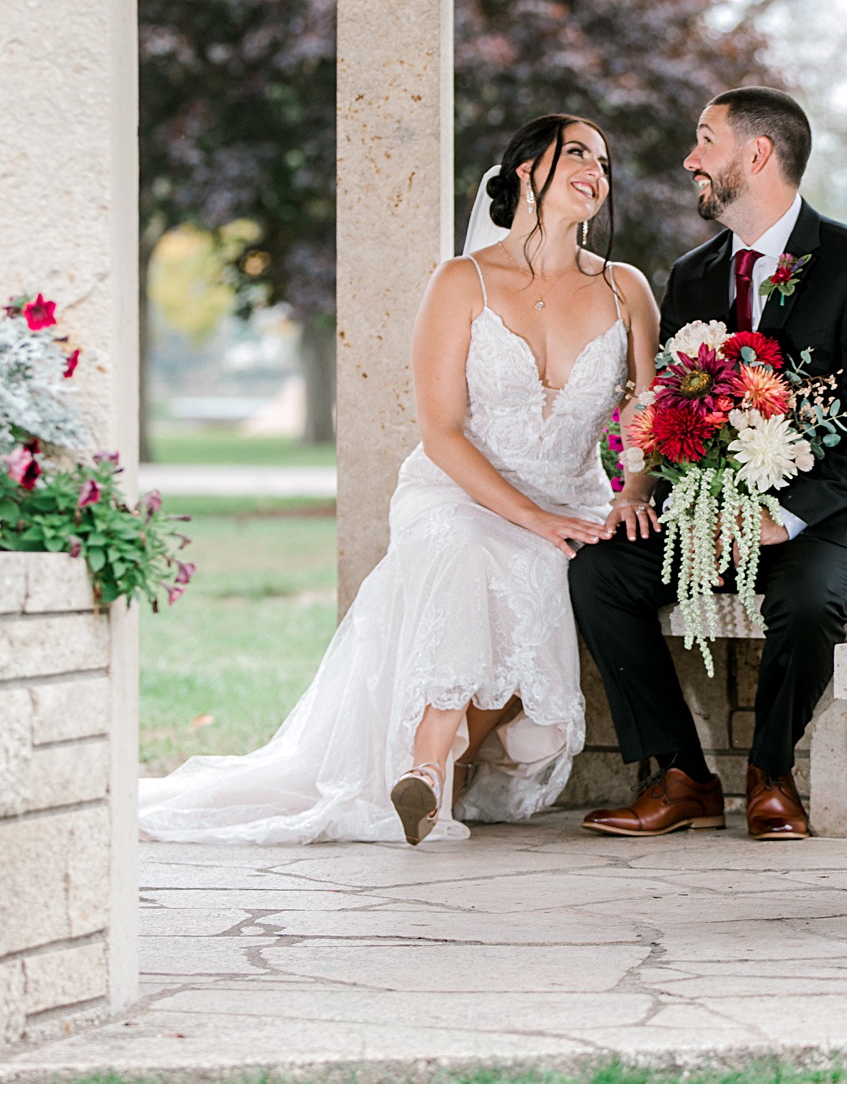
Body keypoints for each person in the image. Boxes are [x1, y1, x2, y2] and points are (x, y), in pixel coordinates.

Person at [139, 114, 662, 846]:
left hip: (574, 496)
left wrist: (632, 492)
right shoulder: (461, 281)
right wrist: (531, 518)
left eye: (604, 162)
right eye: (577, 152)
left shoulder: (626, 288)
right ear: (523, 171)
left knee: (544, 716)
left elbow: (649, 414)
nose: (596, 171)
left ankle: (442, 760)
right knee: (460, 548)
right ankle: (424, 770)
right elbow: (441, 432)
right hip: (458, 490)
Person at [569, 87, 847, 841]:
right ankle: (681, 775)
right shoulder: (692, 273)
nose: (690, 159)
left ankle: (772, 773)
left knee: (805, 598)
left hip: (837, 519)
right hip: (716, 516)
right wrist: (655, 490)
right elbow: (674, 405)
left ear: (756, 155)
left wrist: (783, 517)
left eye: (705, 140)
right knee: (601, 573)